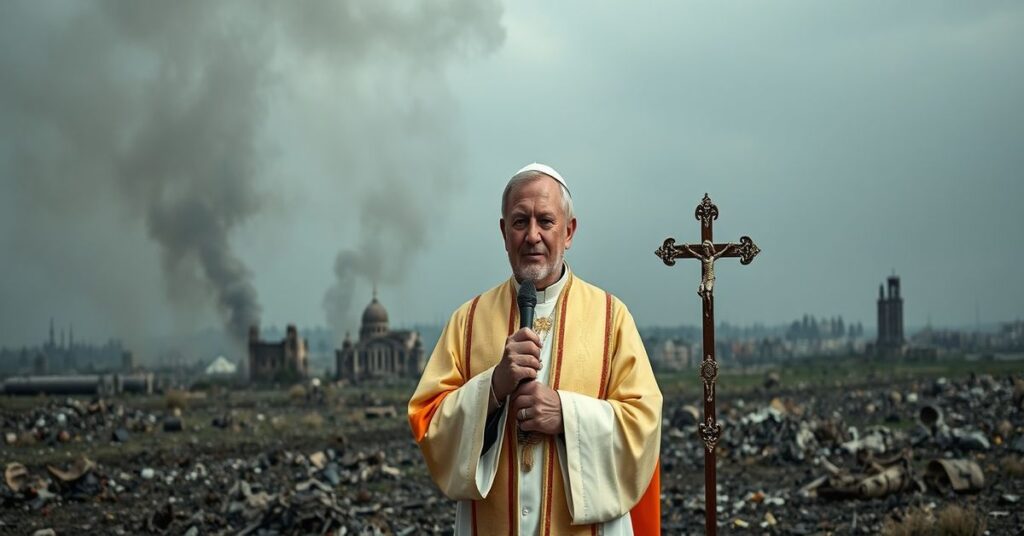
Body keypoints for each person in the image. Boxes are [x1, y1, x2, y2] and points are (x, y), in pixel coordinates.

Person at [408, 163, 662, 535]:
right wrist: (493, 387)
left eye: (546, 221)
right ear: (503, 232)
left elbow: (644, 426)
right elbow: (429, 423)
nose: (532, 236)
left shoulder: (612, 318)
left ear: (569, 231)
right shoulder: (468, 320)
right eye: (519, 222)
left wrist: (567, 415)